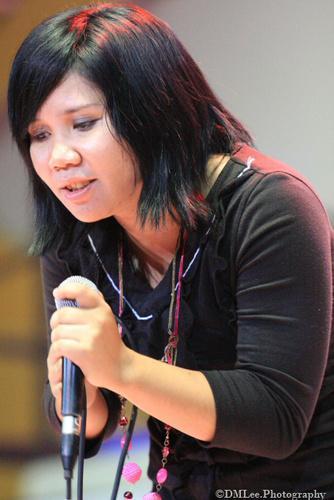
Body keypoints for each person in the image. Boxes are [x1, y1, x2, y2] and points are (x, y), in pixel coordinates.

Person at [7, 3, 333, 499]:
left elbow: (275, 417)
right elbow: (87, 420)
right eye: (39, 134)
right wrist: (83, 385)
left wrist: (120, 367)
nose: (59, 158)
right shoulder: (78, 234)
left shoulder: (272, 208)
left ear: (153, 112)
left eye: (84, 123)